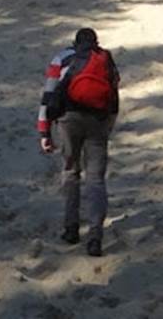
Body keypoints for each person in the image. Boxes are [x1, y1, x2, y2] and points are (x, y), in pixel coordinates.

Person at [37, 27, 121, 256]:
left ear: (74, 43)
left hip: (68, 121)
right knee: (96, 179)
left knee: (71, 171)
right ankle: (95, 236)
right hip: (98, 121)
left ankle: (71, 228)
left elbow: (48, 97)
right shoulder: (105, 59)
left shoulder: (61, 58)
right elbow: (113, 96)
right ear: (96, 42)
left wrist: (44, 132)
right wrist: (109, 127)